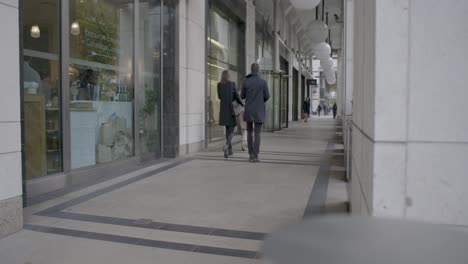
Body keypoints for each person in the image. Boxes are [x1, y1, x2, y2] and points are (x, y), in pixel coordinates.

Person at [241, 63, 270, 163]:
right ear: (258, 70)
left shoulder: (246, 81)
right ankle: (255, 156)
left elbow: (242, 96)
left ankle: (250, 155)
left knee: (249, 132)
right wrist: (260, 101)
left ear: (251, 69)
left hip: (249, 110)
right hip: (258, 110)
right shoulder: (263, 82)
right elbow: (267, 96)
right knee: (257, 133)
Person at [217, 70, 244, 159]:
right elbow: (236, 96)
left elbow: (219, 96)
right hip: (231, 110)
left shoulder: (219, 84)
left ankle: (230, 151)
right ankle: (227, 145)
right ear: (228, 76)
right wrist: (242, 104)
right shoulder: (232, 84)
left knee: (227, 130)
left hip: (223, 110)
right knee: (232, 130)